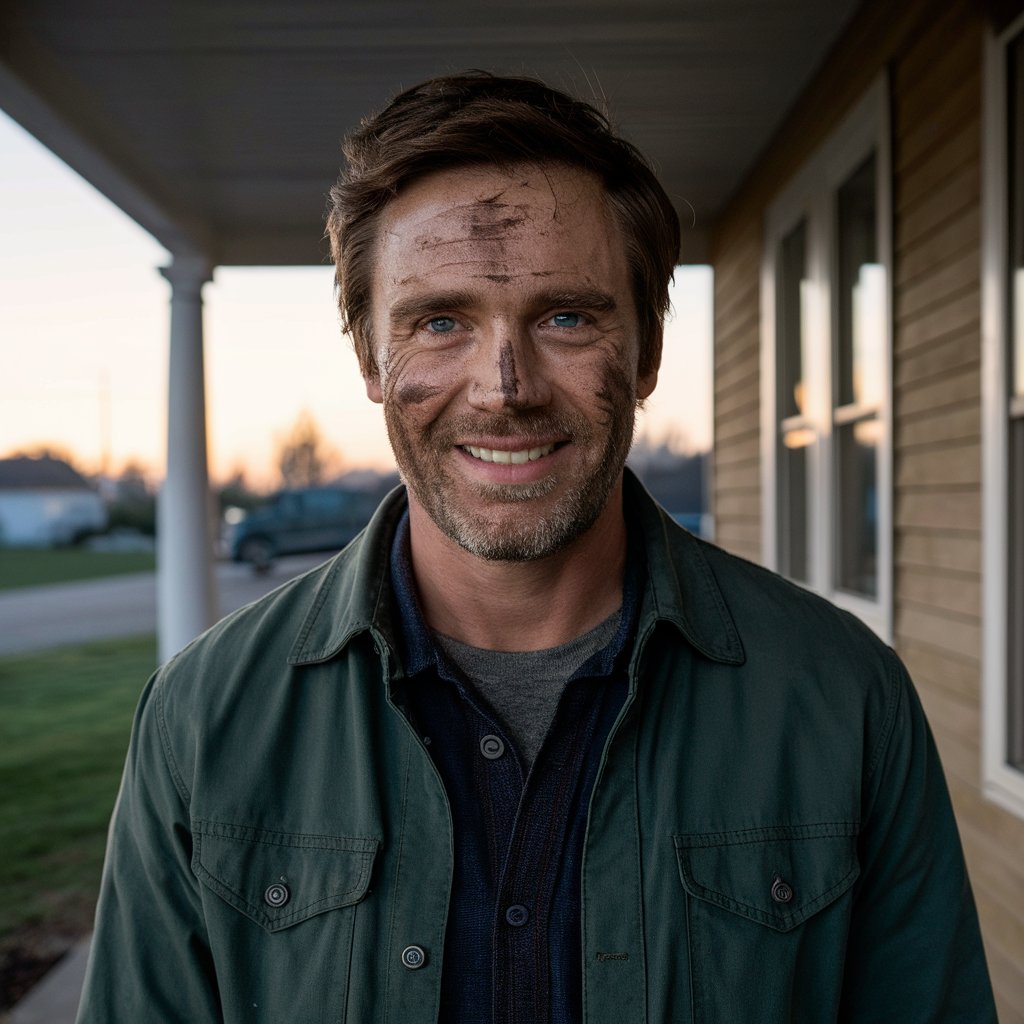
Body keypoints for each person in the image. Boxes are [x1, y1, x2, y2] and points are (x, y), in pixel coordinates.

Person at [77, 72, 996, 1024]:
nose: (504, 386)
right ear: (370, 361)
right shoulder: (204, 717)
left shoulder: (842, 696)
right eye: (441, 322)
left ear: (644, 353)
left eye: (566, 316)